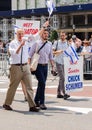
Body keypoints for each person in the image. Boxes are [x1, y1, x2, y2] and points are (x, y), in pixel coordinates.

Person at [3, 28, 40, 112]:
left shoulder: (26, 41)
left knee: (29, 86)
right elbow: (15, 53)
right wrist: (21, 45)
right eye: (19, 34)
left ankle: (32, 106)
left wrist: (44, 27)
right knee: (13, 86)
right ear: (16, 34)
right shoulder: (13, 43)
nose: (21, 35)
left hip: (25, 66)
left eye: (22, 34)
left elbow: (35, 37)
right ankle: (7, 103)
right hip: (16, 67)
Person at [29, 28, 54, 110]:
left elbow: (51, 56)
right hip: (38, 66)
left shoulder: (49, 44)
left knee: (41, 83)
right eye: (44, 33)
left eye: (47, 34)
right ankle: (42, 102)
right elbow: (30, 55)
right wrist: (29, 65)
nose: (46, 35)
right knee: (42, 83)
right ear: (41, 34)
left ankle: (36, 100)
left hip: (45, 66)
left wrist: (53, 66)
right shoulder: (36, 43)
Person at [53, 31, 70, 100]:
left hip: (65, 62)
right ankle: (64, 93)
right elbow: (53, 52)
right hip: (58, 62)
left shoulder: (68, 43)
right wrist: (58, 51)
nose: (62, 37)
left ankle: (58, 93)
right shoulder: (56, 42)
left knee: (61, 78)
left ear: (65, 36)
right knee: (62, 78)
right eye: (61, 35)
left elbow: (70, 52)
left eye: (63, 35)